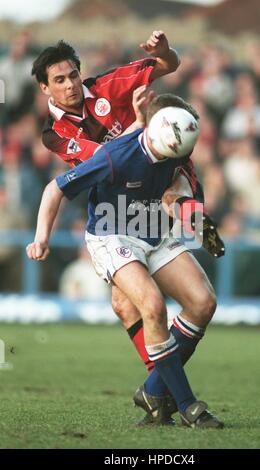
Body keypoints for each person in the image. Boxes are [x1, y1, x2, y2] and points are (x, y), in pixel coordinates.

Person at [27, 94, 224, 429]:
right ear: (153, 131)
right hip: (111, 234)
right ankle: (189, 405)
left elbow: (178, 190)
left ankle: (153, 391)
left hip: (154, 230)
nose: (170, 157)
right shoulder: (116, 156)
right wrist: (41, 236)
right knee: (151, 305)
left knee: (203, 302)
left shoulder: (180, 145)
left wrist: (190, 213)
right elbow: (55, 189)